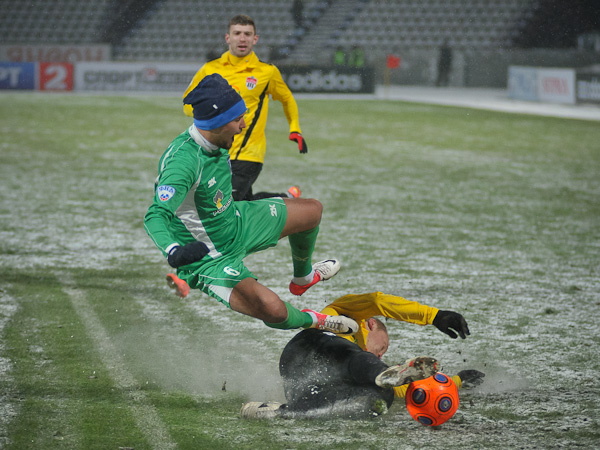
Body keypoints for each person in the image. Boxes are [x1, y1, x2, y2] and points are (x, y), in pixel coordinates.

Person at [145, 74, 358, 336]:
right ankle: (314, 320)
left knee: (312, 211)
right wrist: (174, 251)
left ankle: (302, 278)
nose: (243, 125)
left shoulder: (216, 139)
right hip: (210, 258)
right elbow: (155, 215)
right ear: (216, 123)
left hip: (238, 221)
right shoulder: (183, 163)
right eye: (237, 120)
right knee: (273, 309)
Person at [240, 291, 485, 419]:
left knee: (380, 397)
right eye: (383, 347)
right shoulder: (345, 314)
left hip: (302, 379)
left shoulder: (369, 368)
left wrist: (456, 381)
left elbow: (407, 389)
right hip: (314, 343)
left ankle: (281, 412)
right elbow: (378, 301)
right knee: (363, 364)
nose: (381, 353)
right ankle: (378, 377)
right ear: (370, 325)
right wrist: (434, 315)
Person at [183, 15, 306, 203]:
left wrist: (295, 128)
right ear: (228, 38)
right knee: (239, 203)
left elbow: (287, 98)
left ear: (255, 39)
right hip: (216, 151)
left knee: (224, 203)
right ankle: (285, 198)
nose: (242, 38)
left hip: (249, 153)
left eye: (247, 34)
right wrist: (210, 116)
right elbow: (188, 103)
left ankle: (284, 200)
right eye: (237, 33)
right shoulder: (210, 69)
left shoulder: (266, 72)